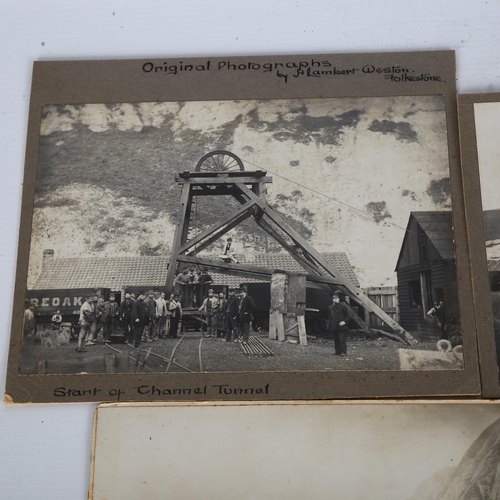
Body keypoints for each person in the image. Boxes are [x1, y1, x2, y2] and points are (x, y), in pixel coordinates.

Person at [327, 290, 351, 356]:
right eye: (333, 298)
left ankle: (343, 352)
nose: (334, 300)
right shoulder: (330, 307)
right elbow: (329, 316)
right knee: (336, 339)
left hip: (342, 326)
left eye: (336, 298)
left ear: (339, 299)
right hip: (334, 326)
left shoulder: (343, 306)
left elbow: (348, 316)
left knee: (342, 339)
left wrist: (344, 321)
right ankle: (337, 351)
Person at [21, 303, 36, 371]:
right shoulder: (26, 311)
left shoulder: (31, 312)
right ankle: (24, 347)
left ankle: (25, 347)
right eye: (32, 306)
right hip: (27, 327)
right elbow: (25, 320)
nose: (33, 307)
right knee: (25, 339)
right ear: (29, 306)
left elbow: (32, 321)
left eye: (33, 307)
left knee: (28, 339)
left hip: (29, 327)